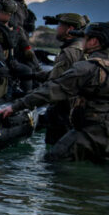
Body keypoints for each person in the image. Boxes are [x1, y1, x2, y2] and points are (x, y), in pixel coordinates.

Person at [0, 23, 109, 164]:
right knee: (104, 174)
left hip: (86, 133)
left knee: (51, 163)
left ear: (94, 41)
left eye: (85, 38)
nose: (82, 42)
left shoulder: (85, 68)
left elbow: (50, 91)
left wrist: (15, 107)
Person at [40, 13, 90, 145]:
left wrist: (24, 102)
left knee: (53, 158)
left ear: (69, 29)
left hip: (62, 113)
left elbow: (54, 84)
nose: (57, 28)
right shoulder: (81, 49)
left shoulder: (69, 52)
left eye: (60, 25)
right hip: (74, 113)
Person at [0, 0, 39, 93]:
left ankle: (27, 95)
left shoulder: (14, 27)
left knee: (27, 70)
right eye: (1, 13)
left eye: (6, 14)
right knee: (6, 75)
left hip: (11, 61)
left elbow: (22, 39)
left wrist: (27, 49)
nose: (3, 15)